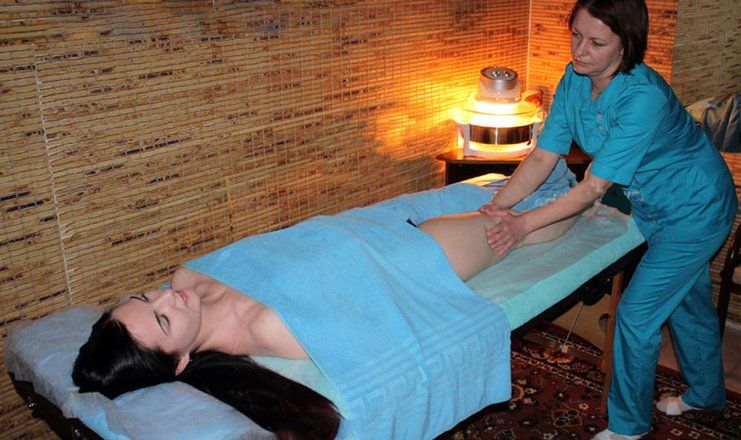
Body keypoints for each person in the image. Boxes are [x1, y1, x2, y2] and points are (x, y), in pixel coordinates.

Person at [72, 202, 578, 440]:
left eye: (147, 296)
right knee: (514, 229)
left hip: (365, 229)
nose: (169, 297)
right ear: (182, 361)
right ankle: (593, 200)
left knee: (495, 201)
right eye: (163, 320)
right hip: (410, 259)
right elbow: (369, 311)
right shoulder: (269, 329)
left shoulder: (187, 276)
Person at [478, 0, 737, 439]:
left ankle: (628, 427)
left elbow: (592, 188)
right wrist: (499, 206)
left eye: (596, 43)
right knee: (687, 302)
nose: (580, 50)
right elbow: (543, 155)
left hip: (696, 207)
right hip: (652, 204)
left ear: (626, 46)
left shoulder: (642, 97)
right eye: (576, 35)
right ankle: (708, 395)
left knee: (636, 315)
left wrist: (523, 225)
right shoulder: (574, 78)